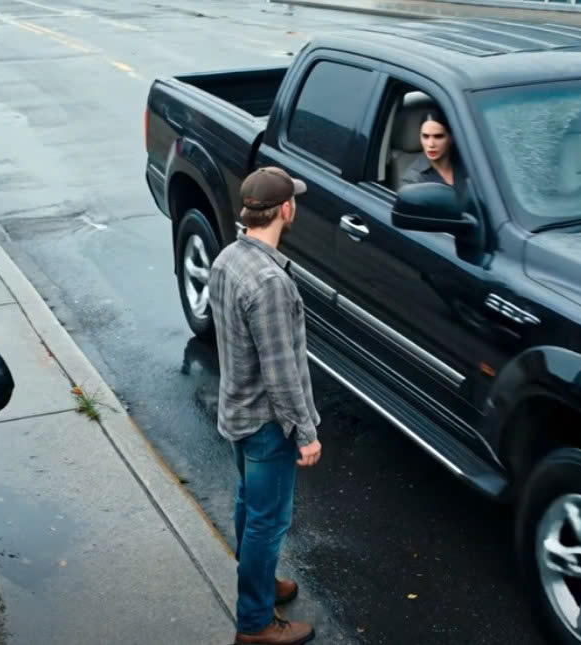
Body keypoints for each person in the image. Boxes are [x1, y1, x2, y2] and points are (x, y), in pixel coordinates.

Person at [208, 166, 322, 645]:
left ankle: (261, 579)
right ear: (286, 209)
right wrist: (306, 432)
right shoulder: (270, 282)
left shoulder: (228, 258)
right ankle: (255, 623)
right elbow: (281, 371)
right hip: (267, 423)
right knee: (268, 521)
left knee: (248, 504)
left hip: (237, 409)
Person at [402, 108, 467, 199]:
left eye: (438, 136)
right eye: (425, 136)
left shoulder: (467, 162)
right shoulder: (414, 179)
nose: (431, 144)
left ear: (451, 138)